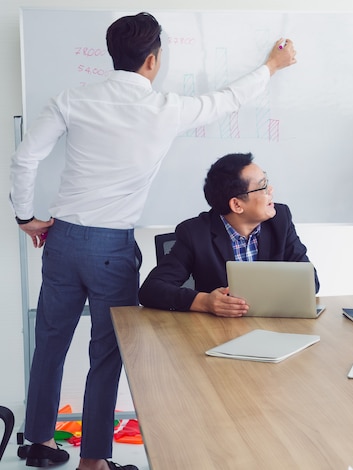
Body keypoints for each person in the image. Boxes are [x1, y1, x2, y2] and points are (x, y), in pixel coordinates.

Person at [9, 12, 296, 470]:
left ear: (113, 55)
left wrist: (26, 217)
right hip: (111, 249)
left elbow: (26, 159)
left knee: (49, 342)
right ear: (152, 60)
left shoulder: (71, 100)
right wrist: (273, 66)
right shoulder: (166, 108)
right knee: (106, 353)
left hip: (62, 240)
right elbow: (228, 99)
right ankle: (93, 462)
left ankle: (40, 444)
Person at [139, 152, 319, 314]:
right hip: (218, 332)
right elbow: (151, 290)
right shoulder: (195, 233)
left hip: (274, 326)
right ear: (237, 205)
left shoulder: (280, 221)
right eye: (263, 186)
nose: (270, 191)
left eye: (267, 182)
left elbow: (311, 283)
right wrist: (204, 302)